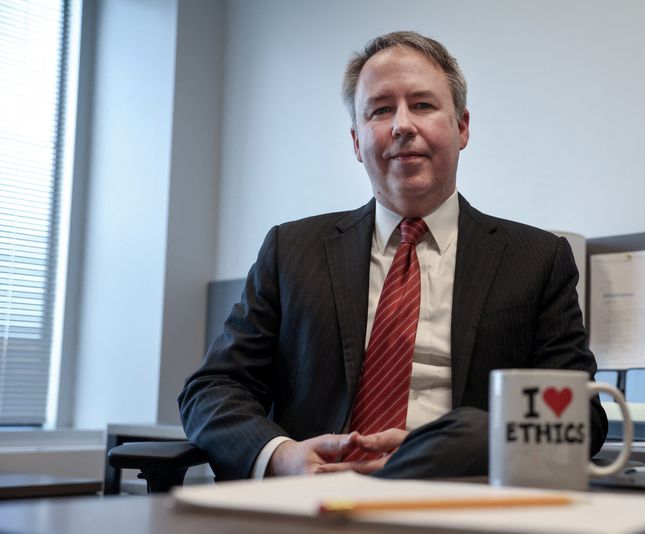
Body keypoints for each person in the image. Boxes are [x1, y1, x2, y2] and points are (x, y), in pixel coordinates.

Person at [179, 31, 607, 481]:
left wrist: (463, 444)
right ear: (356, 140)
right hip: (312, 504)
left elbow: (582, 418)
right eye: (381, 110)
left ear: (462, 127)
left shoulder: (537, 260)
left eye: (422, 105)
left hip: (463, 501)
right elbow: (211, 388)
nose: (402, 124)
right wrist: (281, 455)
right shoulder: (291, 251)